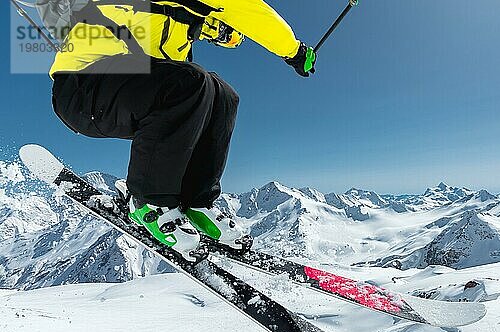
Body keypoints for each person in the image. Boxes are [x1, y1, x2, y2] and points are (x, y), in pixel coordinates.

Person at [49, 0, 316, 260]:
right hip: (83, 86)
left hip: (130, 90)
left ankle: (196, 201)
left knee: (224, 95)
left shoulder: (184, 14)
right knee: (190, 82)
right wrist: (294, 50)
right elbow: (246, 9)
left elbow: (204, 20)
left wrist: (222, 31)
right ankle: (148, 199)